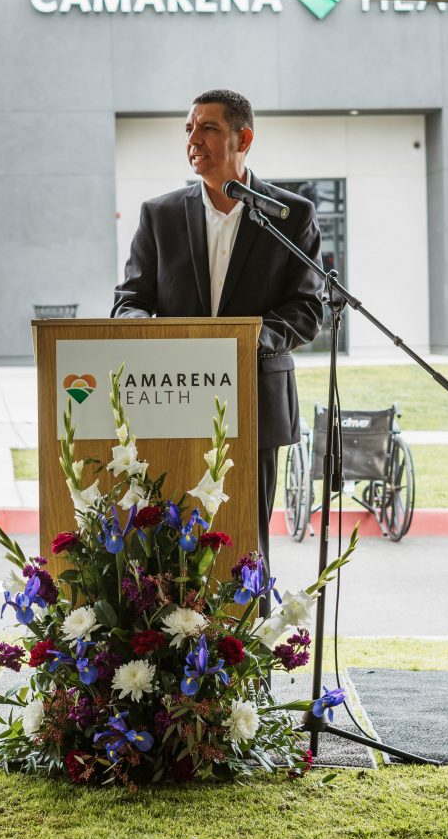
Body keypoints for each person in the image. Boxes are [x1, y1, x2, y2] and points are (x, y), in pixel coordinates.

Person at [112, 88, 324, 591]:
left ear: (242, 137)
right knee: (169, 544)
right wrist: (150, 335)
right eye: (189, 129)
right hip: (170, 403)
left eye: (206, 128)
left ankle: (248, 660)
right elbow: (129, 299)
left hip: (254, 401)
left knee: (247, 545)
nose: (193, 139)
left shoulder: (291, 215)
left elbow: (309, 307)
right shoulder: (159, 214)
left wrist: (248, 340)